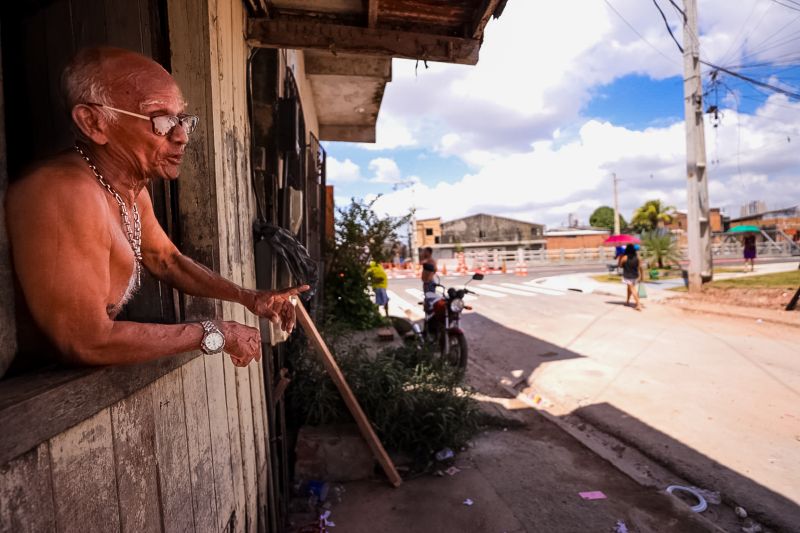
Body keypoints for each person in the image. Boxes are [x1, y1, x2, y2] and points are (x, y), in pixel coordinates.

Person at [5, 47, 308, 370]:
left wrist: (249, 297)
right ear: (93, 122)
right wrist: (215, 332)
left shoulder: (130, 191)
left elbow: (167, 260)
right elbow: (87, 340)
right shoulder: (64, 192)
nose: (180, 137)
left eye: (182, 120)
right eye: (160, 120)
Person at [617, 244, 644, 311]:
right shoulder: (638, 257)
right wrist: (642, 276)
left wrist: (620, 257)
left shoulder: (625, 257)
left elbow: (620, 266)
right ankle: (627, 301)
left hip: (627, 276)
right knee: (629, 288)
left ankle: (638, 304)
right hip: (635, 276)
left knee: (632, 289)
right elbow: (641, 268)